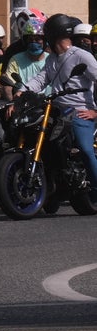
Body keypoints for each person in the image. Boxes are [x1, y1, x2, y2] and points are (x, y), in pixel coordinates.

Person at [21, 14, 97, 196]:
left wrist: (95, 111)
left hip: (79, 111)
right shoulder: (52, 59)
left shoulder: (81, 56)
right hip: (56, 110)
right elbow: (41, 79)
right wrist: (22, 90)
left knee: (86, 150)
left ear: (52, 34)